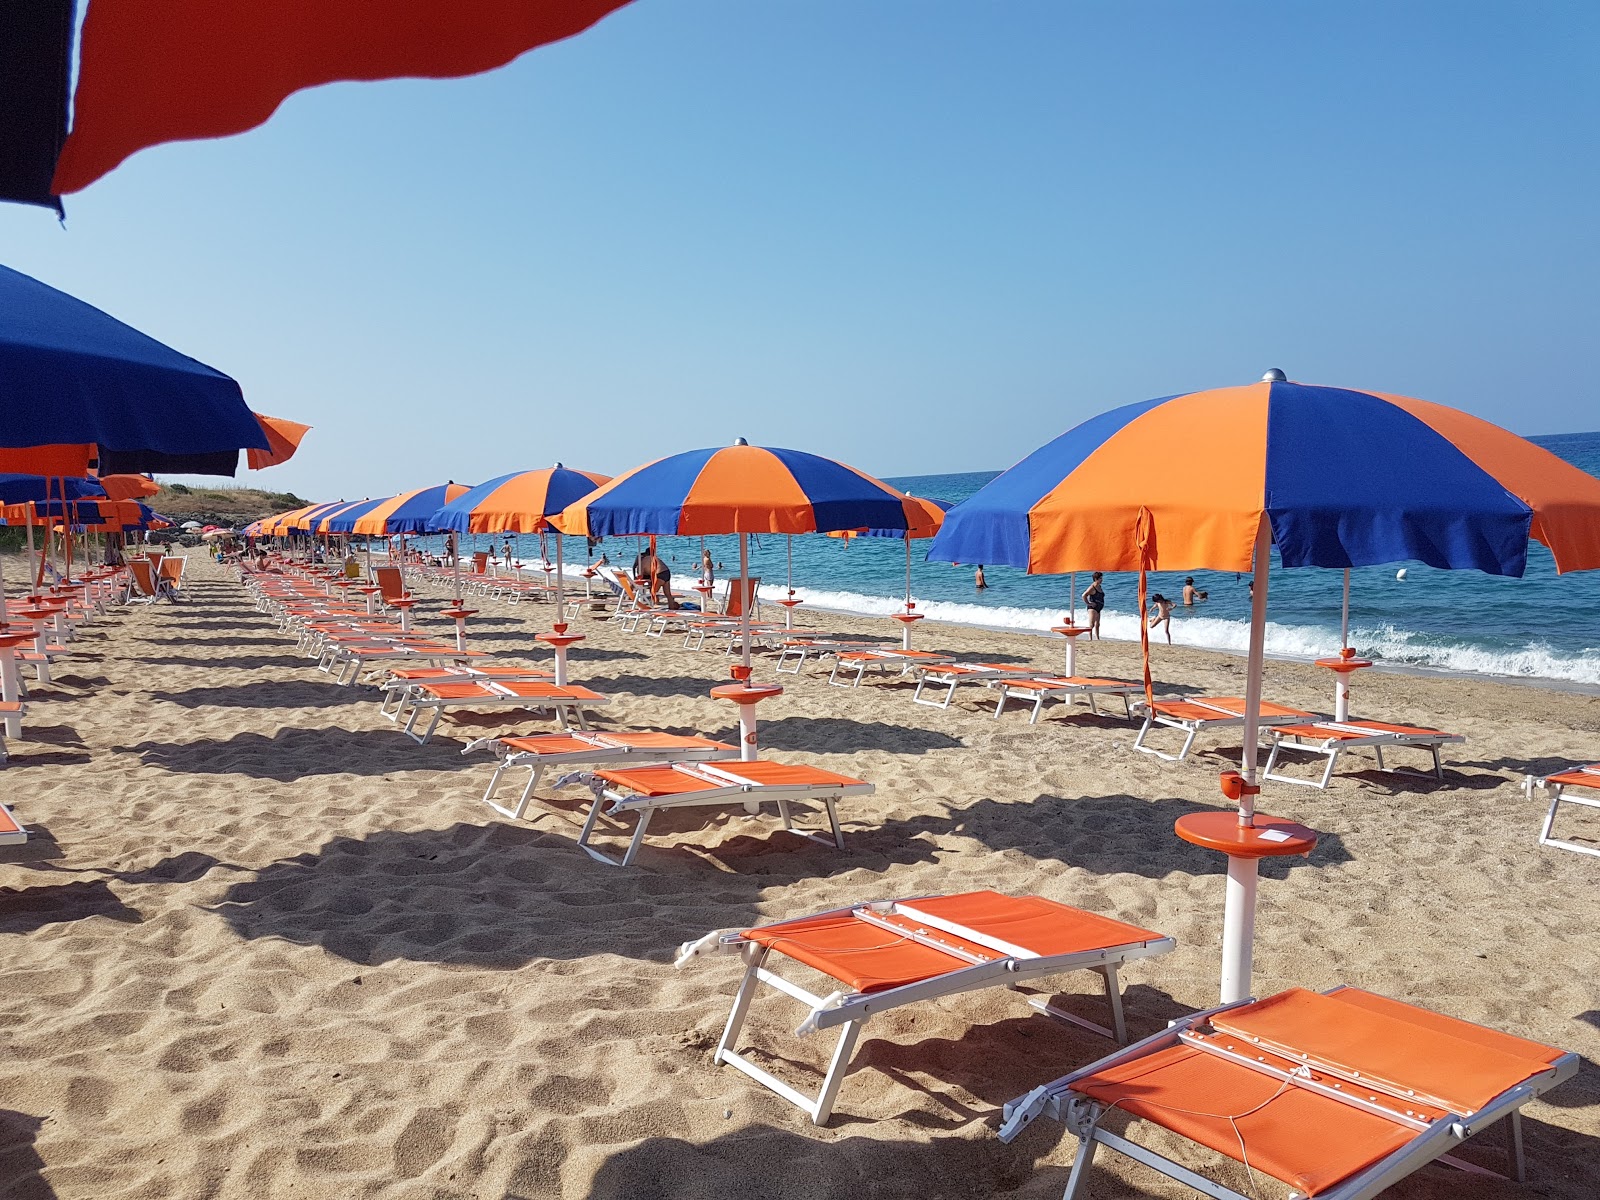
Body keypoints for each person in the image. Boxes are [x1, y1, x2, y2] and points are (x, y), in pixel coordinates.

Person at [1082, 572, 1105, 639]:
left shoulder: (1099, 586)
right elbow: (1084, 595)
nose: (1101, 580)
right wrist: (1088, 603)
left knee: (1097, 624)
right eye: (1100, 578)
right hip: (1092, 608)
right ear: (1095, 579)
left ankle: (1098, 638)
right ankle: (1090, 638)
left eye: (1101, 578)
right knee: (1091, 624)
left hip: (1098, 608)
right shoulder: (1092, 588)